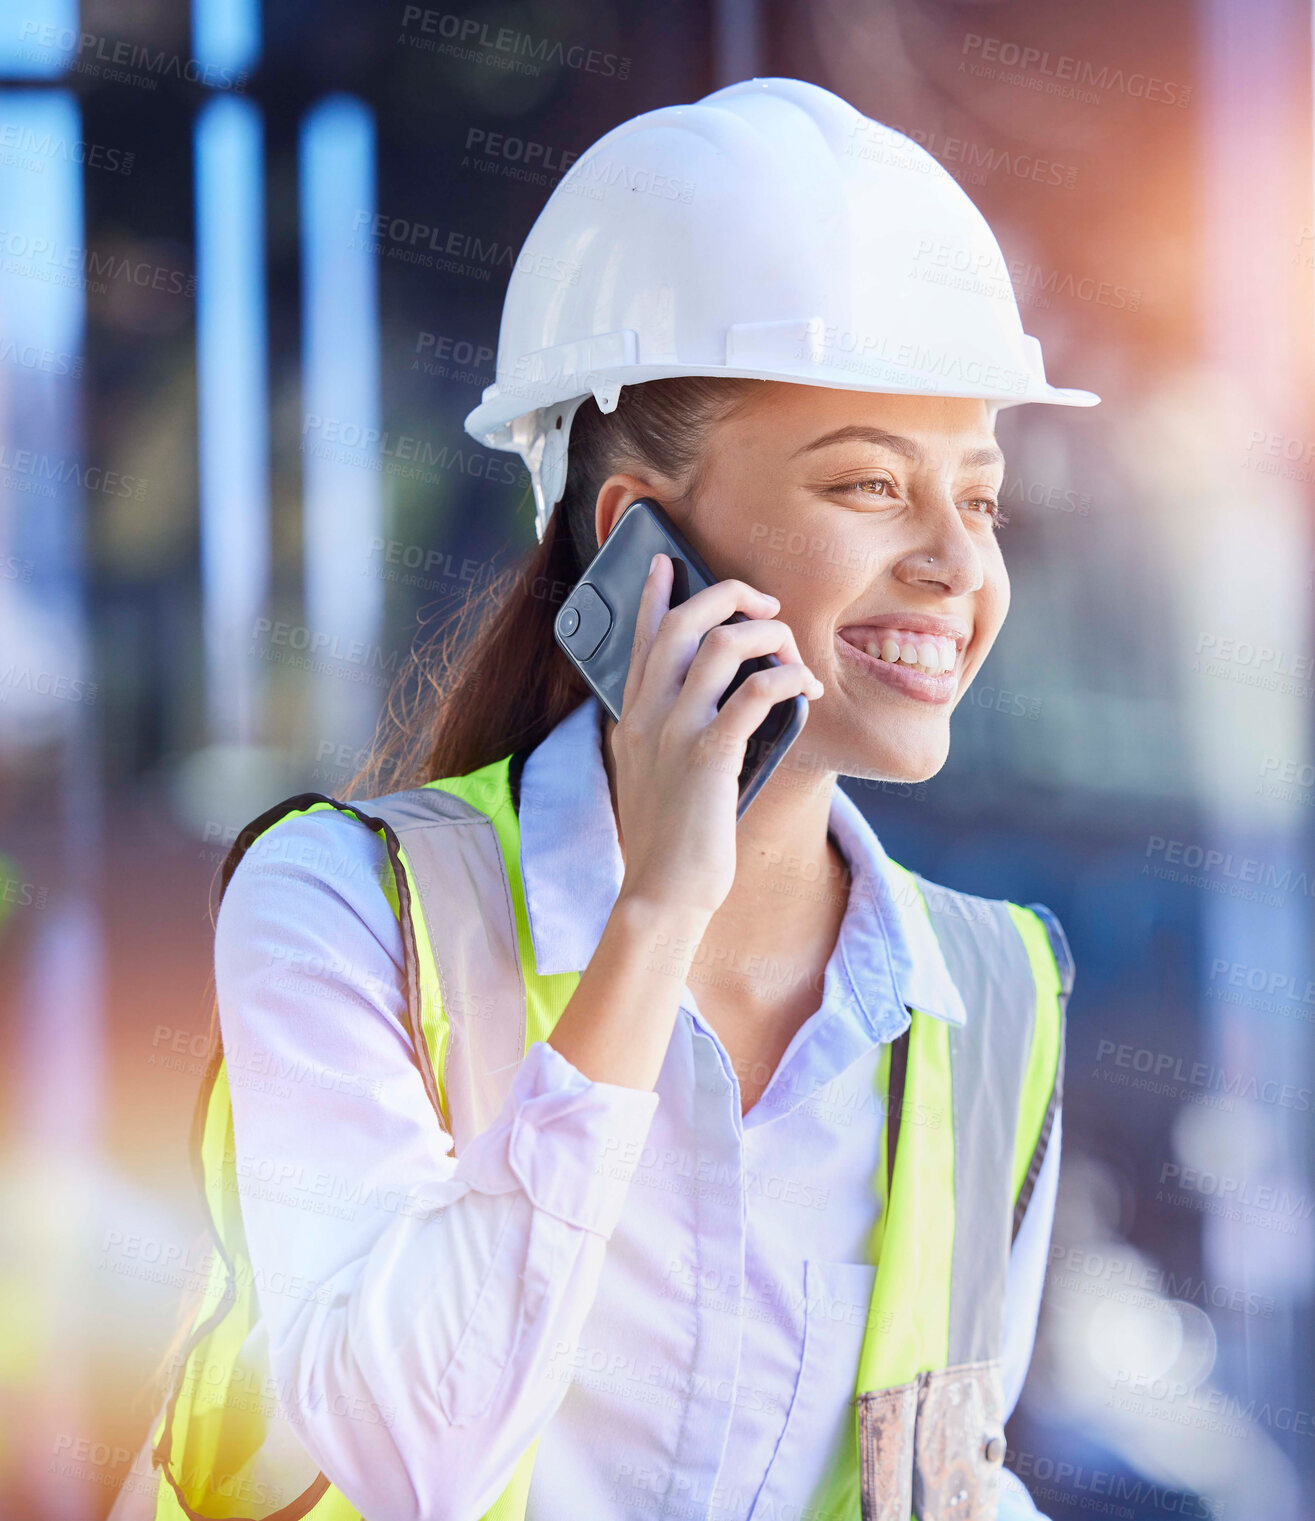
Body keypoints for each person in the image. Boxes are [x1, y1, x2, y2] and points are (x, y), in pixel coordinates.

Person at [129, 78, 1094, 1521]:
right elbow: (406, 1449)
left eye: (983, 496)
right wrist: (655, 916)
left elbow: (951, 1480)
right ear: (636, 543)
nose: (961, 563)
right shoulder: (342, 909)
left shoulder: (994, 994)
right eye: (874, 487)